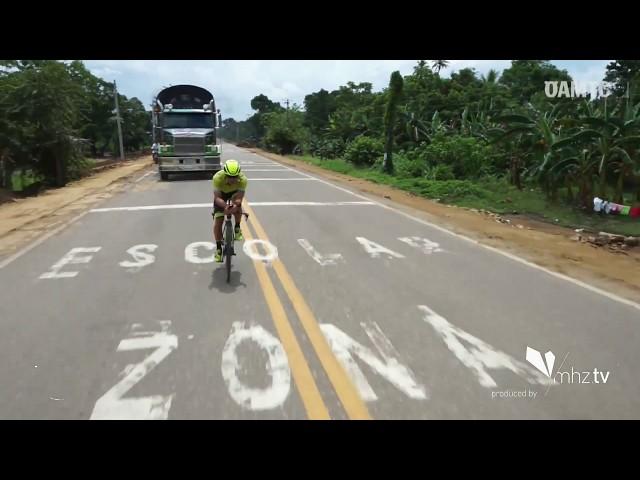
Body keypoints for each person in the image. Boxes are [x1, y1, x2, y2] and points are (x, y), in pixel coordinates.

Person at [212, 159, 247, 262]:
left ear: (238, 175)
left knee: (238, 206)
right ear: (225, 174)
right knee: (218, 222)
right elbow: (217, 198)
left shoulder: (243, 180)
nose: (232, 180)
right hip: (221, 195)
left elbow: (239, 197)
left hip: (234, 194)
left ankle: (237, 227)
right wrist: (225, 207)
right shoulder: (217, 178)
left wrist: (235, 206)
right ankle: (218, 249)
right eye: (230, 177)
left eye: (235, 177)